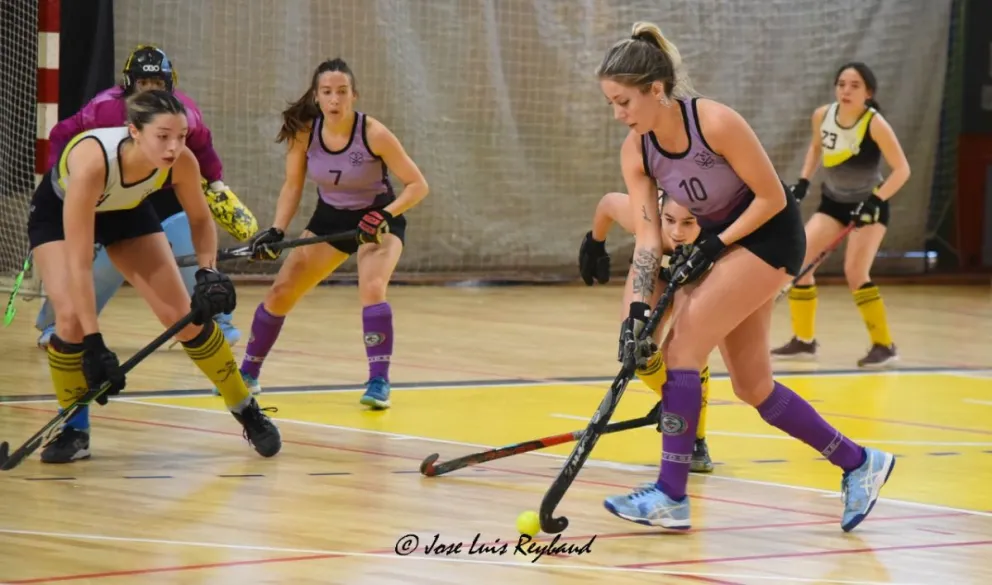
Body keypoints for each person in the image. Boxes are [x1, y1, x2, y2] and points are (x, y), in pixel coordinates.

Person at [595, 22, 895, 532]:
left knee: (681, 352)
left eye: (624, 102)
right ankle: (859, 463)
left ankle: (671, 493)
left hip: (770, 236)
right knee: (753, 387)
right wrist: (638, 311)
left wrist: (716, 242)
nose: (618, 114)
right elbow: (648, 239)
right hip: (725, 245)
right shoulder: (637, 151)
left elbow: (773, 198)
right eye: (612, 104)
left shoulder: (714, 122)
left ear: (657, 90)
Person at [26, 89, 281, 464]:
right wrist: (95, 342)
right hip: (59, 213)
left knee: (183, 317)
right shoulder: (93, 163)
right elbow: (80, 263)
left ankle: (245, 407)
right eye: (163, 136)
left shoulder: (181, 161)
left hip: (125, 211)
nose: (173, 146)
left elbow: (200, 219)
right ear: (134, 132)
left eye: (180, 136)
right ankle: (74, 430)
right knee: (69, 321)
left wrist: (208, 273)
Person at [34, 45, 258, 351]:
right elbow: (62, 133)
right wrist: (62, 179)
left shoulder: (184, 114)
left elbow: (202, 147)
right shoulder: (104, 109)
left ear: (169, 85)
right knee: (93, 263)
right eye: (143, 84)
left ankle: (217, 320)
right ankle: (62, 324)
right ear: (129, 85)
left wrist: (216, 183)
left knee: (189, 241)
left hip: (159, 187)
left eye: (157, 85)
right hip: (104, 191)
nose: (150, 92)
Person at [233, 57, 429, 410]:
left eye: (342, 92)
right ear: (317, 96)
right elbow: (293, 186)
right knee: (281, 291)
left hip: (377, 220)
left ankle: (378, 382)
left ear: (354, 95)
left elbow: (418, 186)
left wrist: (384, 214)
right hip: (330, 219)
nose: (335, 100)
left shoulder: (374, 134)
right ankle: (247, 374)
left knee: (371, 287)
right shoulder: (304, 132)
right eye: (327, 92)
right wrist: (277, 229)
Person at [771, 62, 909, 368]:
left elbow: (902, 170)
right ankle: (804, 341)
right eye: (842, 84)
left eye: (855, 85)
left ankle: (885, 345)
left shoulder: (874, 124)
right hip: (833, 203)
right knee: (801, 262)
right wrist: (804, 181)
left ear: (868, 93)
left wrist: (876, 200)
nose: (846, 90)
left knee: (855, 272)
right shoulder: (822, 115)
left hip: (869, 208)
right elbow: (816, 148)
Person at [579, 190, 714, 473]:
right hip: (653, 268)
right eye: (670, 220)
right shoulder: (645, 217)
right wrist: (595, 242)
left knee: (686, 355)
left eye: (689, 223)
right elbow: (607, 203)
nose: (677, 232)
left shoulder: (719, 228)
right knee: (637, 347)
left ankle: (696, 439)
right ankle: (675, 398)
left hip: (702, 272)